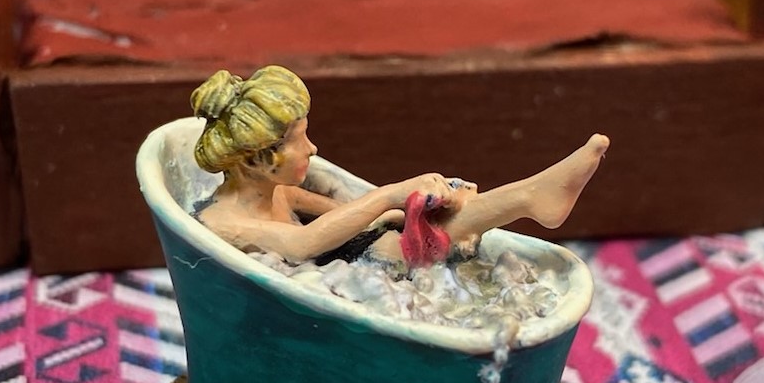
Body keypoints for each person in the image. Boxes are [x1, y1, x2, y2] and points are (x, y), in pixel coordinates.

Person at [190, 65, 608, 267]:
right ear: (255, 159)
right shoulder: (223, 223)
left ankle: (533, 198)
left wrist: (405, 211)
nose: (312, 149)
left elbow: (340, 216)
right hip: (319, 283)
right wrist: (389, 194)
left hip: (338, 257)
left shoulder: (280, 191)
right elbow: (303, 244)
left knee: (435, 221)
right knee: (405, 249)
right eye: (299, 142)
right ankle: (531, 198)